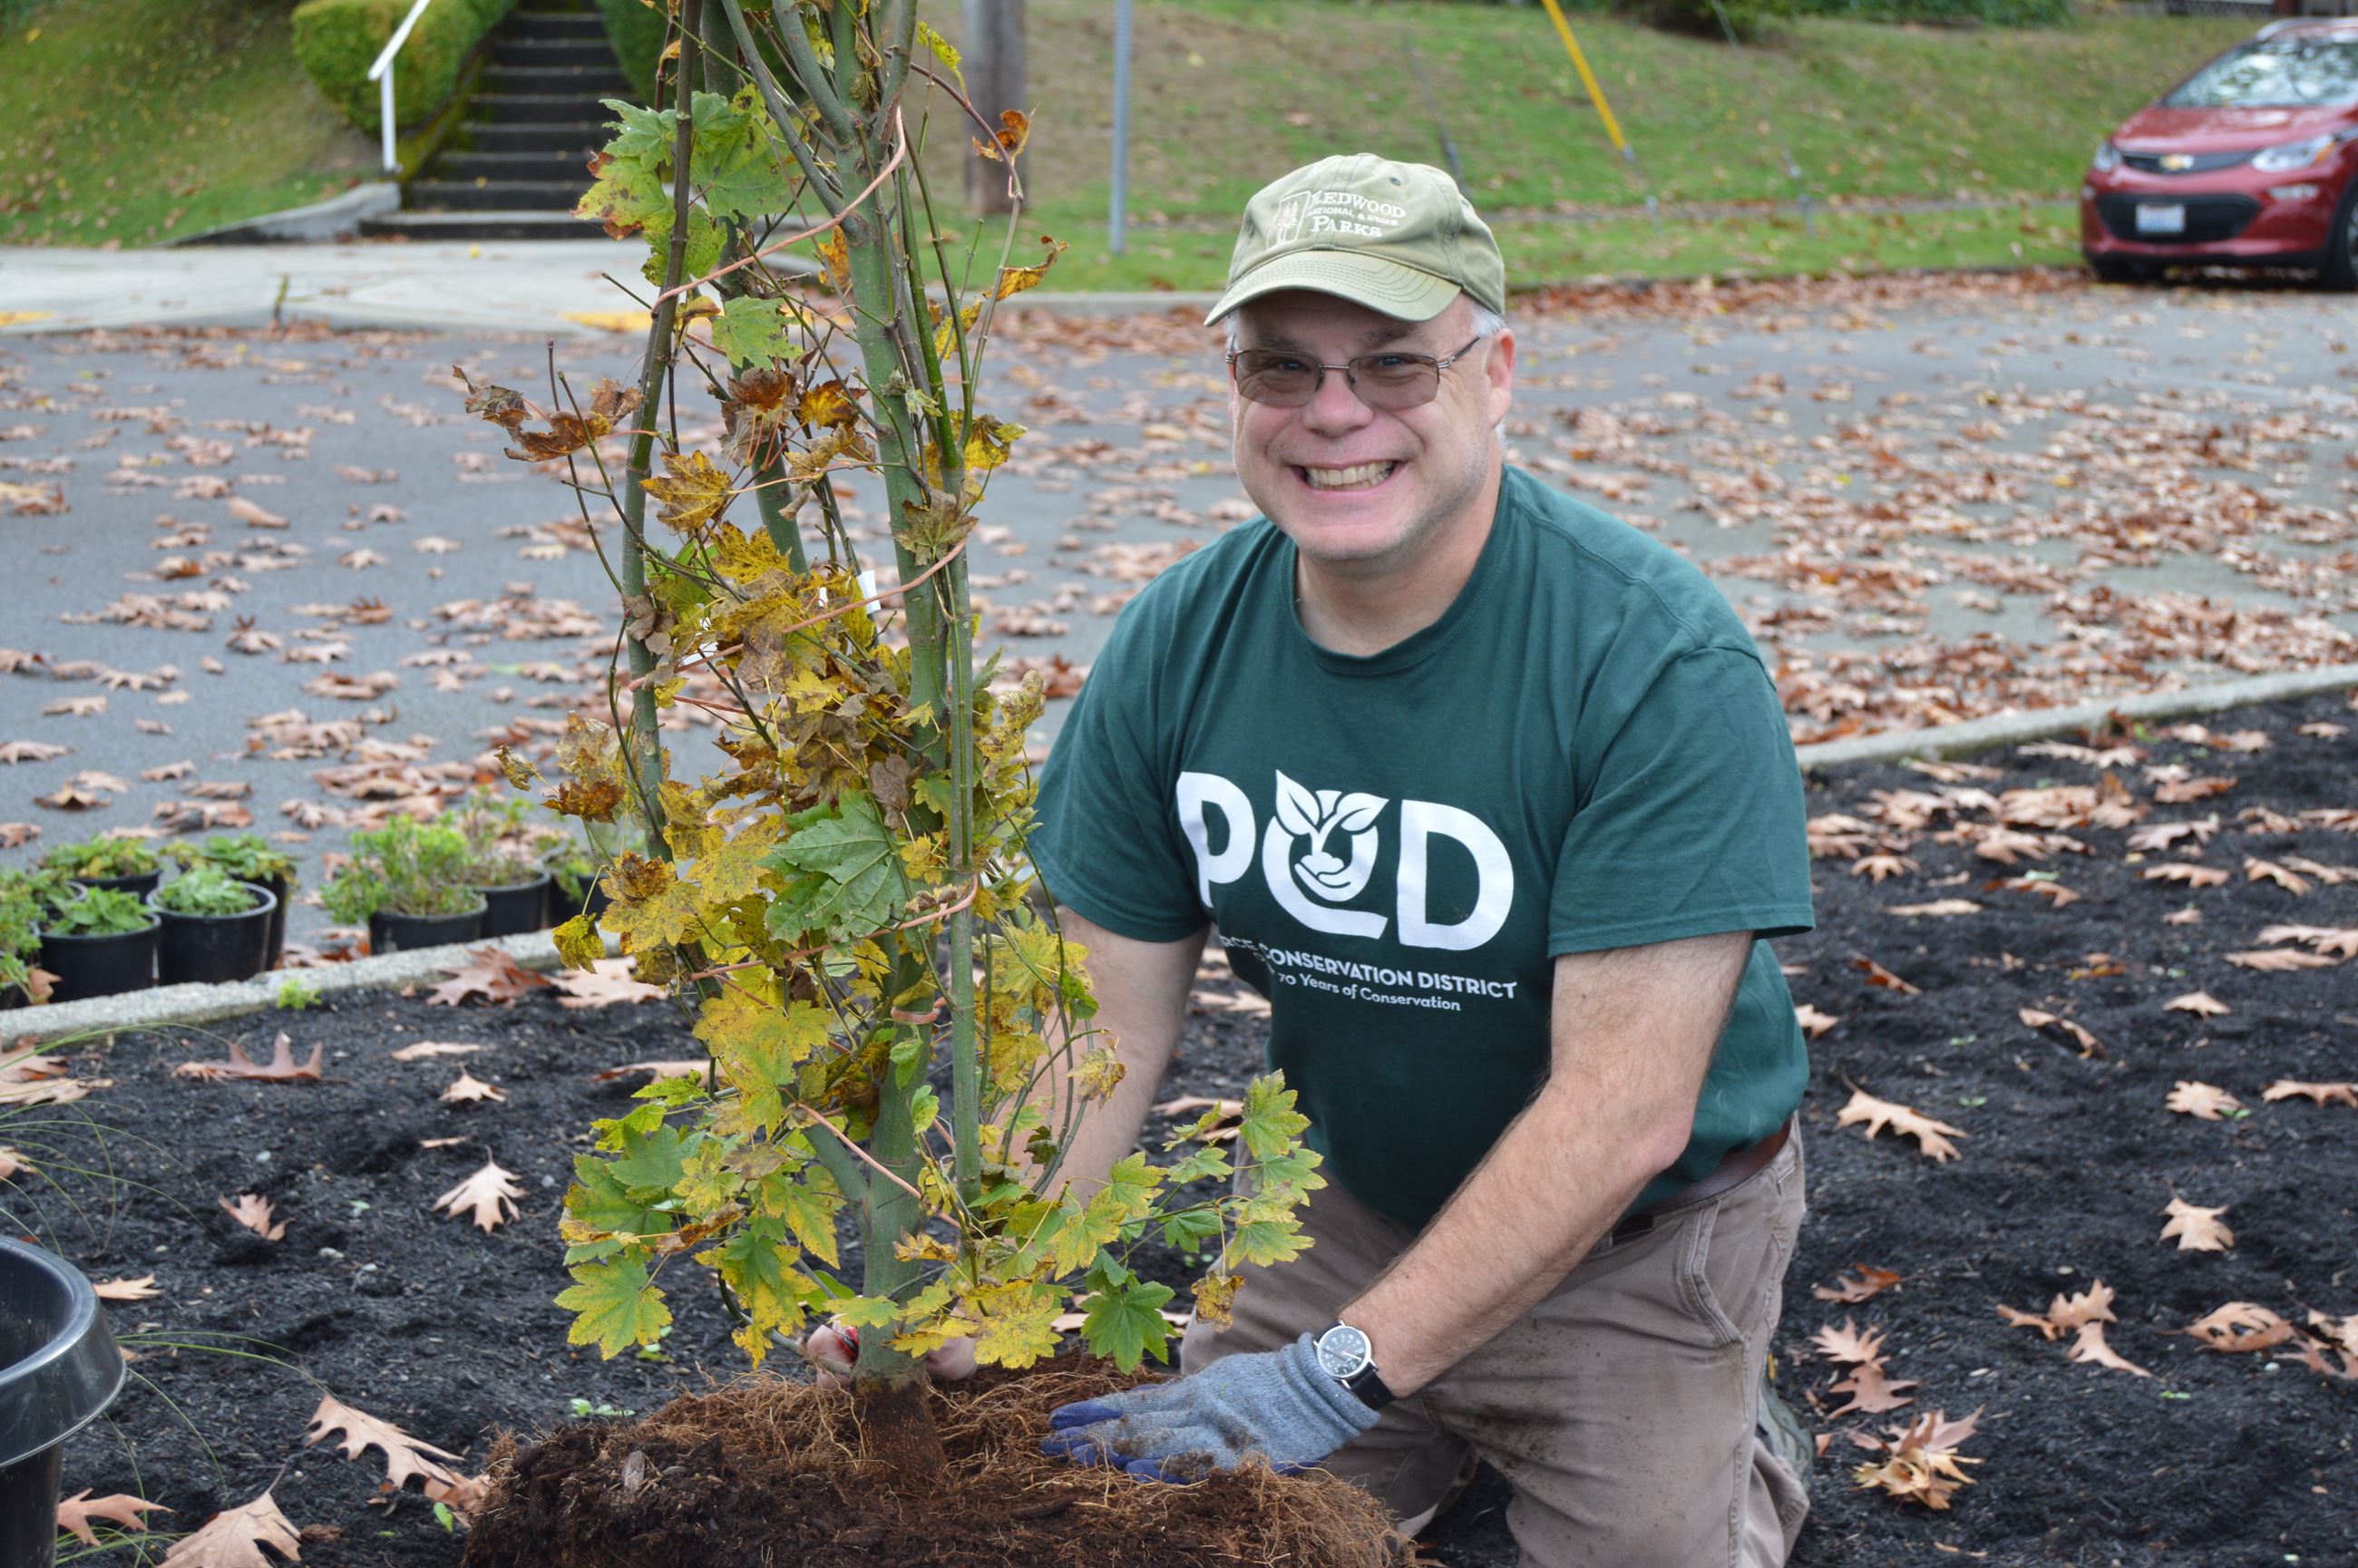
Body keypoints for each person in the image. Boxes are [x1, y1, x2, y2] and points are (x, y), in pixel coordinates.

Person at [814, 152, 1818, 1568]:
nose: (1333, 413)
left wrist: (1316, 1382)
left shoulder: (1653, 662)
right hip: (1353, 1206)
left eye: (1395, 365)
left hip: (1636, 1246)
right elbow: (1100, 1022)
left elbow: (1621, 1114)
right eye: (1282, 367)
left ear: (1497, 372)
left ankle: (1736, 1440)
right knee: (1189, 1533)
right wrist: (975, 1267)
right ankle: (1423, 1403)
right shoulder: (1183, 641)